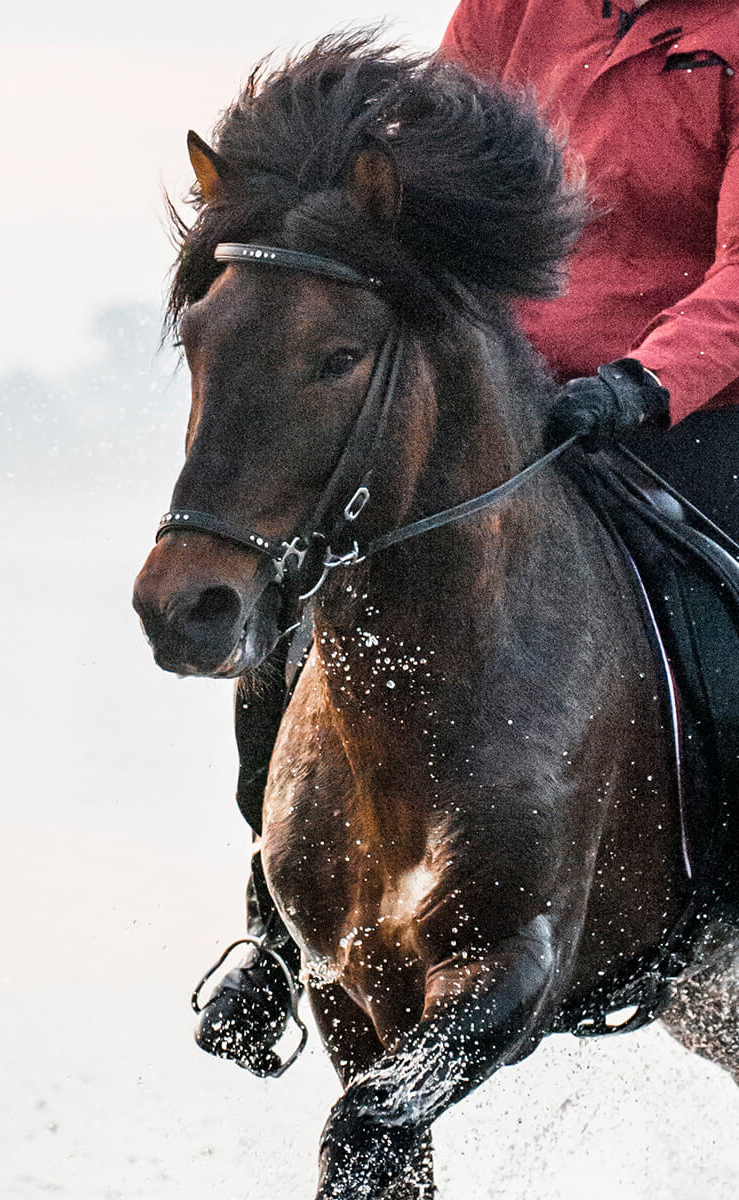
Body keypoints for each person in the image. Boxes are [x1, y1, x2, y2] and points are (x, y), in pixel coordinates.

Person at [194, 0, 739, 1074]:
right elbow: (410, 182)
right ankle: (271, 921)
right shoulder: (510, 7)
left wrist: (645, 385)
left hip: (690, 406)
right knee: (312, 580)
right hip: (491, 394)